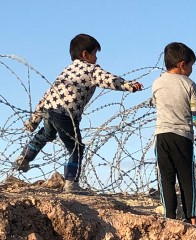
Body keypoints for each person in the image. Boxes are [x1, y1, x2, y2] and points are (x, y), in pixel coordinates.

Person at [14, 33, 143, 194]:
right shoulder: (91, 69)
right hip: (66, 114)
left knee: (45, 135)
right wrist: (129, 85)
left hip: (49, 109)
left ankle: (24, 158)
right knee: (76, 147)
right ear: (85, 55)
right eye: (95, 54)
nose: (96, 59)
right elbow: (109, 80)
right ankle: (71, 182)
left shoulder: (66, 71)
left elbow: (47, 95)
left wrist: (33, 121)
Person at [151, 42, 196, 226]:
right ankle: (192, 218)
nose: (191, 70)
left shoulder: (157, 82)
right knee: (187, 179)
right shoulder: (188, 84)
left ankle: (169, 217)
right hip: (182, 136)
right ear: (182, 64)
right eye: (191, 66)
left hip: (162, 136)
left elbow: (154, 102)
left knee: (166, 178)